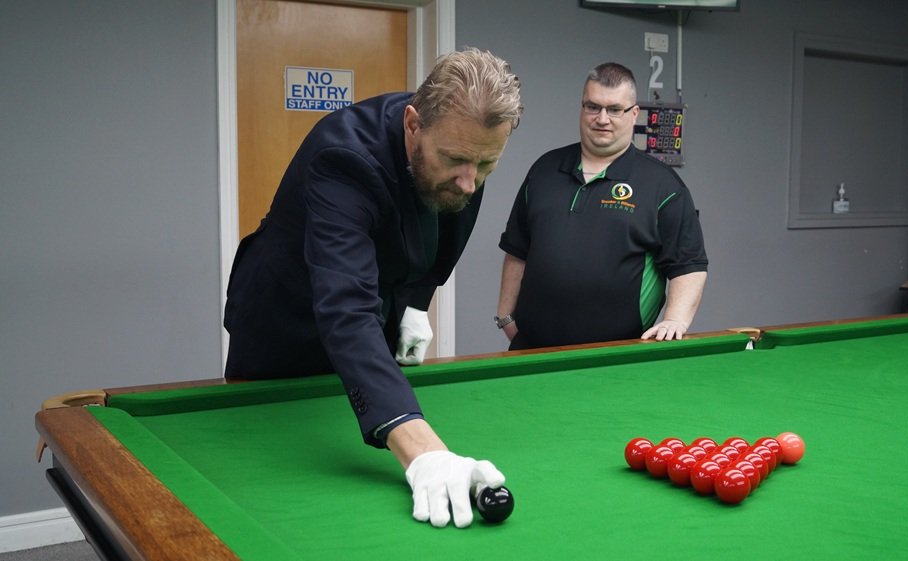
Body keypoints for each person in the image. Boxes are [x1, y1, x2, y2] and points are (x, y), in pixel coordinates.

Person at [223, 48, 523, 528]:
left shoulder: (465, 148)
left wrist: (415, 305)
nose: (470, 182)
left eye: (486, 164)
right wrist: (422, 450)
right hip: (283, 324)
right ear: (413, 125)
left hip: (372, 306)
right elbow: (345, 308)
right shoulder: (343, 157)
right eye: (456, 160)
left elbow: (446, 231)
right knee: (264, 470)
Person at [496, 62, 707, 350]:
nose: (602, 118)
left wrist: (676, 320)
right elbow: (517, 249)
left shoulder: (662, 185)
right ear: (582, 108)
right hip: (531, 350)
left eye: (614, 109)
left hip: (616, 357)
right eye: (593, 107)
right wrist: (506, 316)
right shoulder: (544, 169)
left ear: (634, 113)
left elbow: (688, 265)